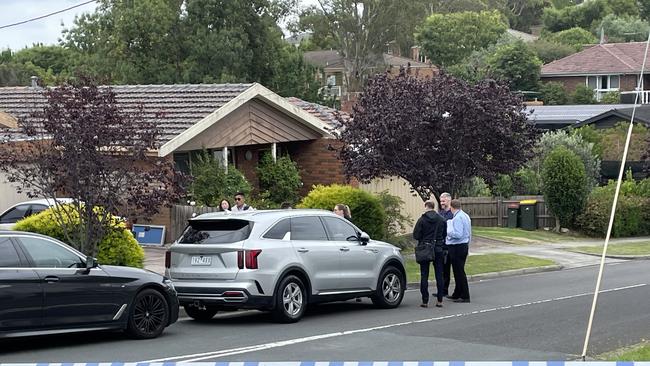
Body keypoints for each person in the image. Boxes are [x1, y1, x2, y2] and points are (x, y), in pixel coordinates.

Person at [413, 200, 447, 308]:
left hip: (425, 248)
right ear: (434, 207)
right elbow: (444, 234)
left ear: (426, 207)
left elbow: (416, 235)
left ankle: (425, 300)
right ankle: (440, 300)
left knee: (424, 274)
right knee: (439, 274)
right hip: (438, 248)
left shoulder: (422, 220)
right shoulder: (441, 220)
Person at [445, 199, 472, 303]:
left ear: (451, 207)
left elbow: (458, 234)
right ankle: (457, 293)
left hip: (457, 246)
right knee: (457, 271)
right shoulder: (465, 216)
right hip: (463, 245)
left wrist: (448, 231)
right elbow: (469, 232)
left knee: (459, 272)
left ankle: (465, 295)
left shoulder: (457, 218)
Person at [439, 192, 453, 297]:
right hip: (442, 244)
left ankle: (457, 291)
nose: (441, 203)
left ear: (449, 200)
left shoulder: (452, 214)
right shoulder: (441, 213)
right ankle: (443, 290)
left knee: (450, 269)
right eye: (440, 201)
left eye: (443, 201)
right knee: (443, 269)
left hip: (451, 245)